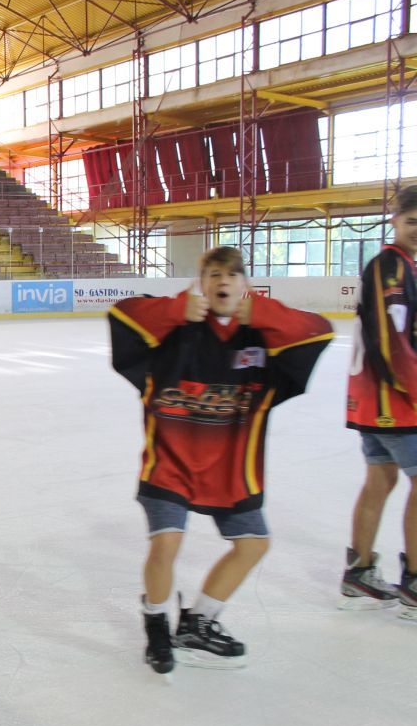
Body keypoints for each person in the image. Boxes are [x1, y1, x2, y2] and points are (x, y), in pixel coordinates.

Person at [108, 246, 334, 674]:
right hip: (170, 463)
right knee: (166, 543)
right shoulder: (175, 329)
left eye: (232, 274)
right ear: (202, 284)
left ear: (245, 284)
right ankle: (156, 624)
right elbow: (123, 315)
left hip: (232, 470)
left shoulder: (261, 338)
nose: (223, 281)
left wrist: (265, 314)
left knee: (254, 544)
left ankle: (198, 622)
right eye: (213, 274)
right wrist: (174, 309)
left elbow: (319, 332)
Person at [344, 184, 417, 621]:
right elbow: (392, 343)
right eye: (412, 221)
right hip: (395, 400)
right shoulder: (391, 267)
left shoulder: (402, 266)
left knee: (381, 480)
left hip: (376, 402)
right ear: (394, 219)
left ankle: (360, 570)